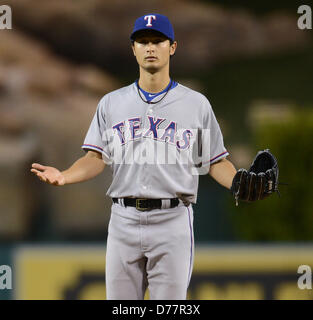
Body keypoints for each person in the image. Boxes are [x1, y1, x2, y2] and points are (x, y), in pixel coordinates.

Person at [30, 13, 237, 300]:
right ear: (133, 49)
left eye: (157, 41)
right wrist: (64, 176)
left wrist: (238, 182)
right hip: (123, 219)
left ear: (172, 47)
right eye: (143, 42)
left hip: (172, 218)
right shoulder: (112, 103)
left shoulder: (195, 104)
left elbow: (213, 162)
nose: (150, 47)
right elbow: (95, 158)